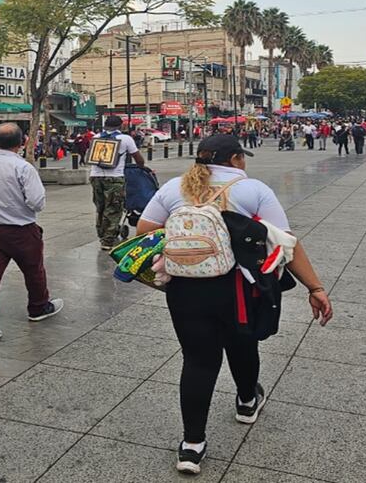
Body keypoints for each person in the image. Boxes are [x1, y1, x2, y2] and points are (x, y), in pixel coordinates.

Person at [136, 134, 333, 475]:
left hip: (186, 289)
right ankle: (246, 401)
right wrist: (314, 287)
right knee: (242, 344)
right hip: (240, 287)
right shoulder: (253, 190)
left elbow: (145, 229)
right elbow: (285, 244)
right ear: (236, 159)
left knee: (198, 360)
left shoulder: (173, 188)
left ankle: (192, 446)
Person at [0, 123, 62, 343]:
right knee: (34, 271)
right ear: (22, 143)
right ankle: (38, 307)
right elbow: (36, 202)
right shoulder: (24, 168)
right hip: (21, 228)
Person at [89, 115, 144, 250]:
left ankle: (102, 233)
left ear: (105, 126)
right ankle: (108, 240)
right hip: (115, 178)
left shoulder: (96, 137)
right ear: (120, 126)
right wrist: (142, 167)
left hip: (95, 177)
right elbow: (138, 159)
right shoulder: (125, 139)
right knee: (113, 208)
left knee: (100, 207)